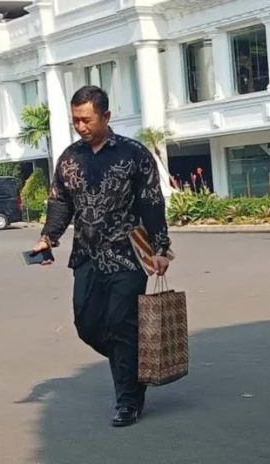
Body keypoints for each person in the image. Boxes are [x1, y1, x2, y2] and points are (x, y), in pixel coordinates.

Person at [32, 86, 171, 427]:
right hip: (87, 257)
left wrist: (161, 248)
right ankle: (134, 364)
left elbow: (152, 203)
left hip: (127, 256)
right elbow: (60, 203)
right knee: (87, 325)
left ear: (106, 116)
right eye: (75, 120)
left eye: (86, 120)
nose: (80, 126)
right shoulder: (69, 158)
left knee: (120, 323)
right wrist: (48, 238)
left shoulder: (134, 154)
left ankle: (127, 401)